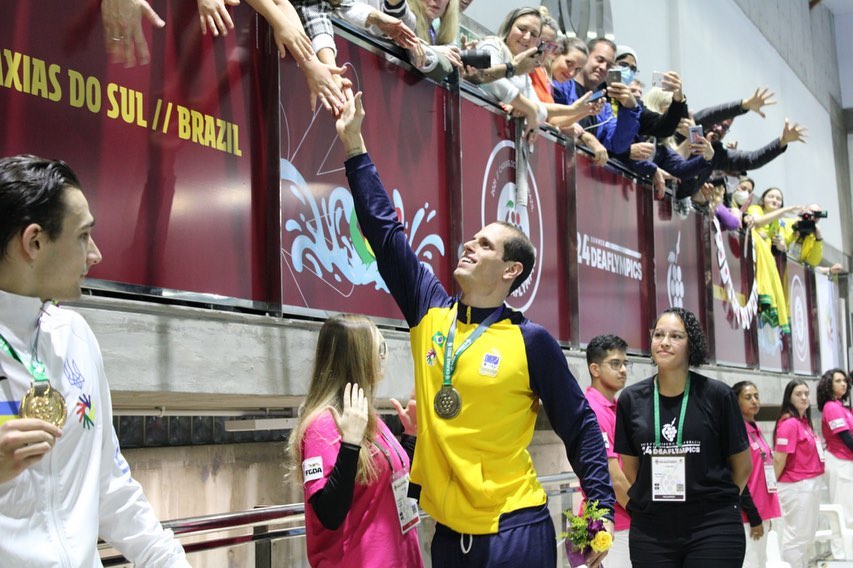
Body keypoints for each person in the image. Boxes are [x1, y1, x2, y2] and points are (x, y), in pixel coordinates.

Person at [336, 91, 615, 567]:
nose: (468, 244)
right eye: (473, 238)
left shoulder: (531, 342)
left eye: (485, 244)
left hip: (516, 529)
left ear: (510, 271)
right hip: (448, 536)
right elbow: (384, 234)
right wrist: (354, 144)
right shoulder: (430, 311)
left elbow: (579, 423)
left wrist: (601, 506)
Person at [0, 155, 189, 566]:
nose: (96, 254)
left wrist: (170, 561)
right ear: (34, 242)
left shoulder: (77, 338)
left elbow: (109, 483)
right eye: (83, 236)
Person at [614, 308, 751, 567]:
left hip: (712, 525)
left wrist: (711, 501)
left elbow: (742, 467)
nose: (664, 342)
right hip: (652, 527)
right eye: (659, 335)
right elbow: (631, 470)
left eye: (676, 336)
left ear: (692, 346)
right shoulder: (631, 399)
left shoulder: (717, 395)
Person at [286, 314, 422, 567]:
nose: (383, 357)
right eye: (378, 349)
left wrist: (411, 437)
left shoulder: (366, 417)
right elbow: (329, 513)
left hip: (400, 557)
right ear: (358, 357)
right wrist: (350, 444)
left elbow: (393, 486)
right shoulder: (323, 425)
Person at [584, 334, 633, 566]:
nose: (623, 369)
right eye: (615, 364)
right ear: (595, 369)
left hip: (623, 520)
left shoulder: (615, 407)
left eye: (625, 363)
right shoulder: (592, 409)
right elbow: (613, 477)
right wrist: (645, 514)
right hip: (612, 524)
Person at [773, 378, 825, 568]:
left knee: (807, 535)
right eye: (798, 394)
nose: (804, 397)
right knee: (796, 536)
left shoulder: (804, 422)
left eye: (806, 393)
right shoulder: (789, 424)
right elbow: (779, 459)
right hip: (796, 486)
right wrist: (772, 487)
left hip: (810, 484)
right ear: (789, 398)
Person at [732, 381, 782, 568]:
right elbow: (739, 477)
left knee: (761, 562)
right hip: (748, 514)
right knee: (751, 562)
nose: (754, 401)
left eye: (756, 396)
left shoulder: (755, 429)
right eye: (748, 397)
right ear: (736, 403)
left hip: (763, 510)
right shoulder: (738, 432)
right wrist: (753, 516)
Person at [817, 368, 853, 559]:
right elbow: (846, 438)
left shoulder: (841, 406)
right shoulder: (831, 407)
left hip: (847, 462)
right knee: (843, 513)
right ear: (828, 385)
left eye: (844, 381)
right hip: (839, 462)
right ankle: (842, 557)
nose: (843, 384)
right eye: (838, 380)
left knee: (849, 513)